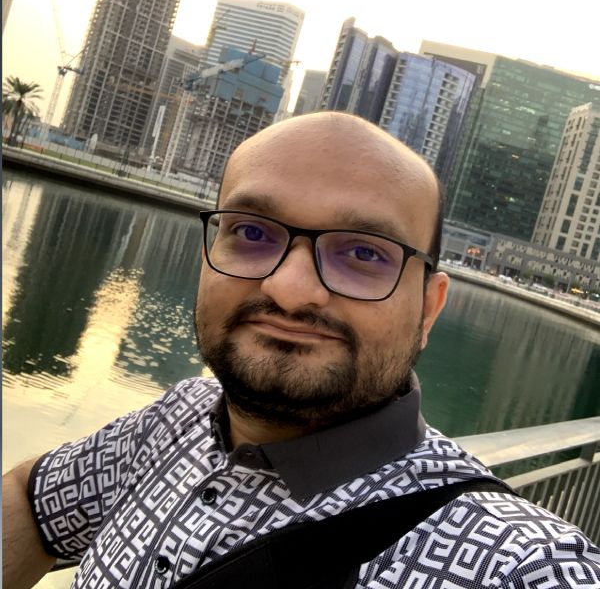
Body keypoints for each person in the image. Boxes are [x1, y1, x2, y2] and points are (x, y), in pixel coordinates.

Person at [3, 112, 599, 588]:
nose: (289, 289)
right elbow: (33, 501)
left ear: (428, 308)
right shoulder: (175, 418)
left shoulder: (521, 565)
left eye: (364, 253)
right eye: (251, 233)